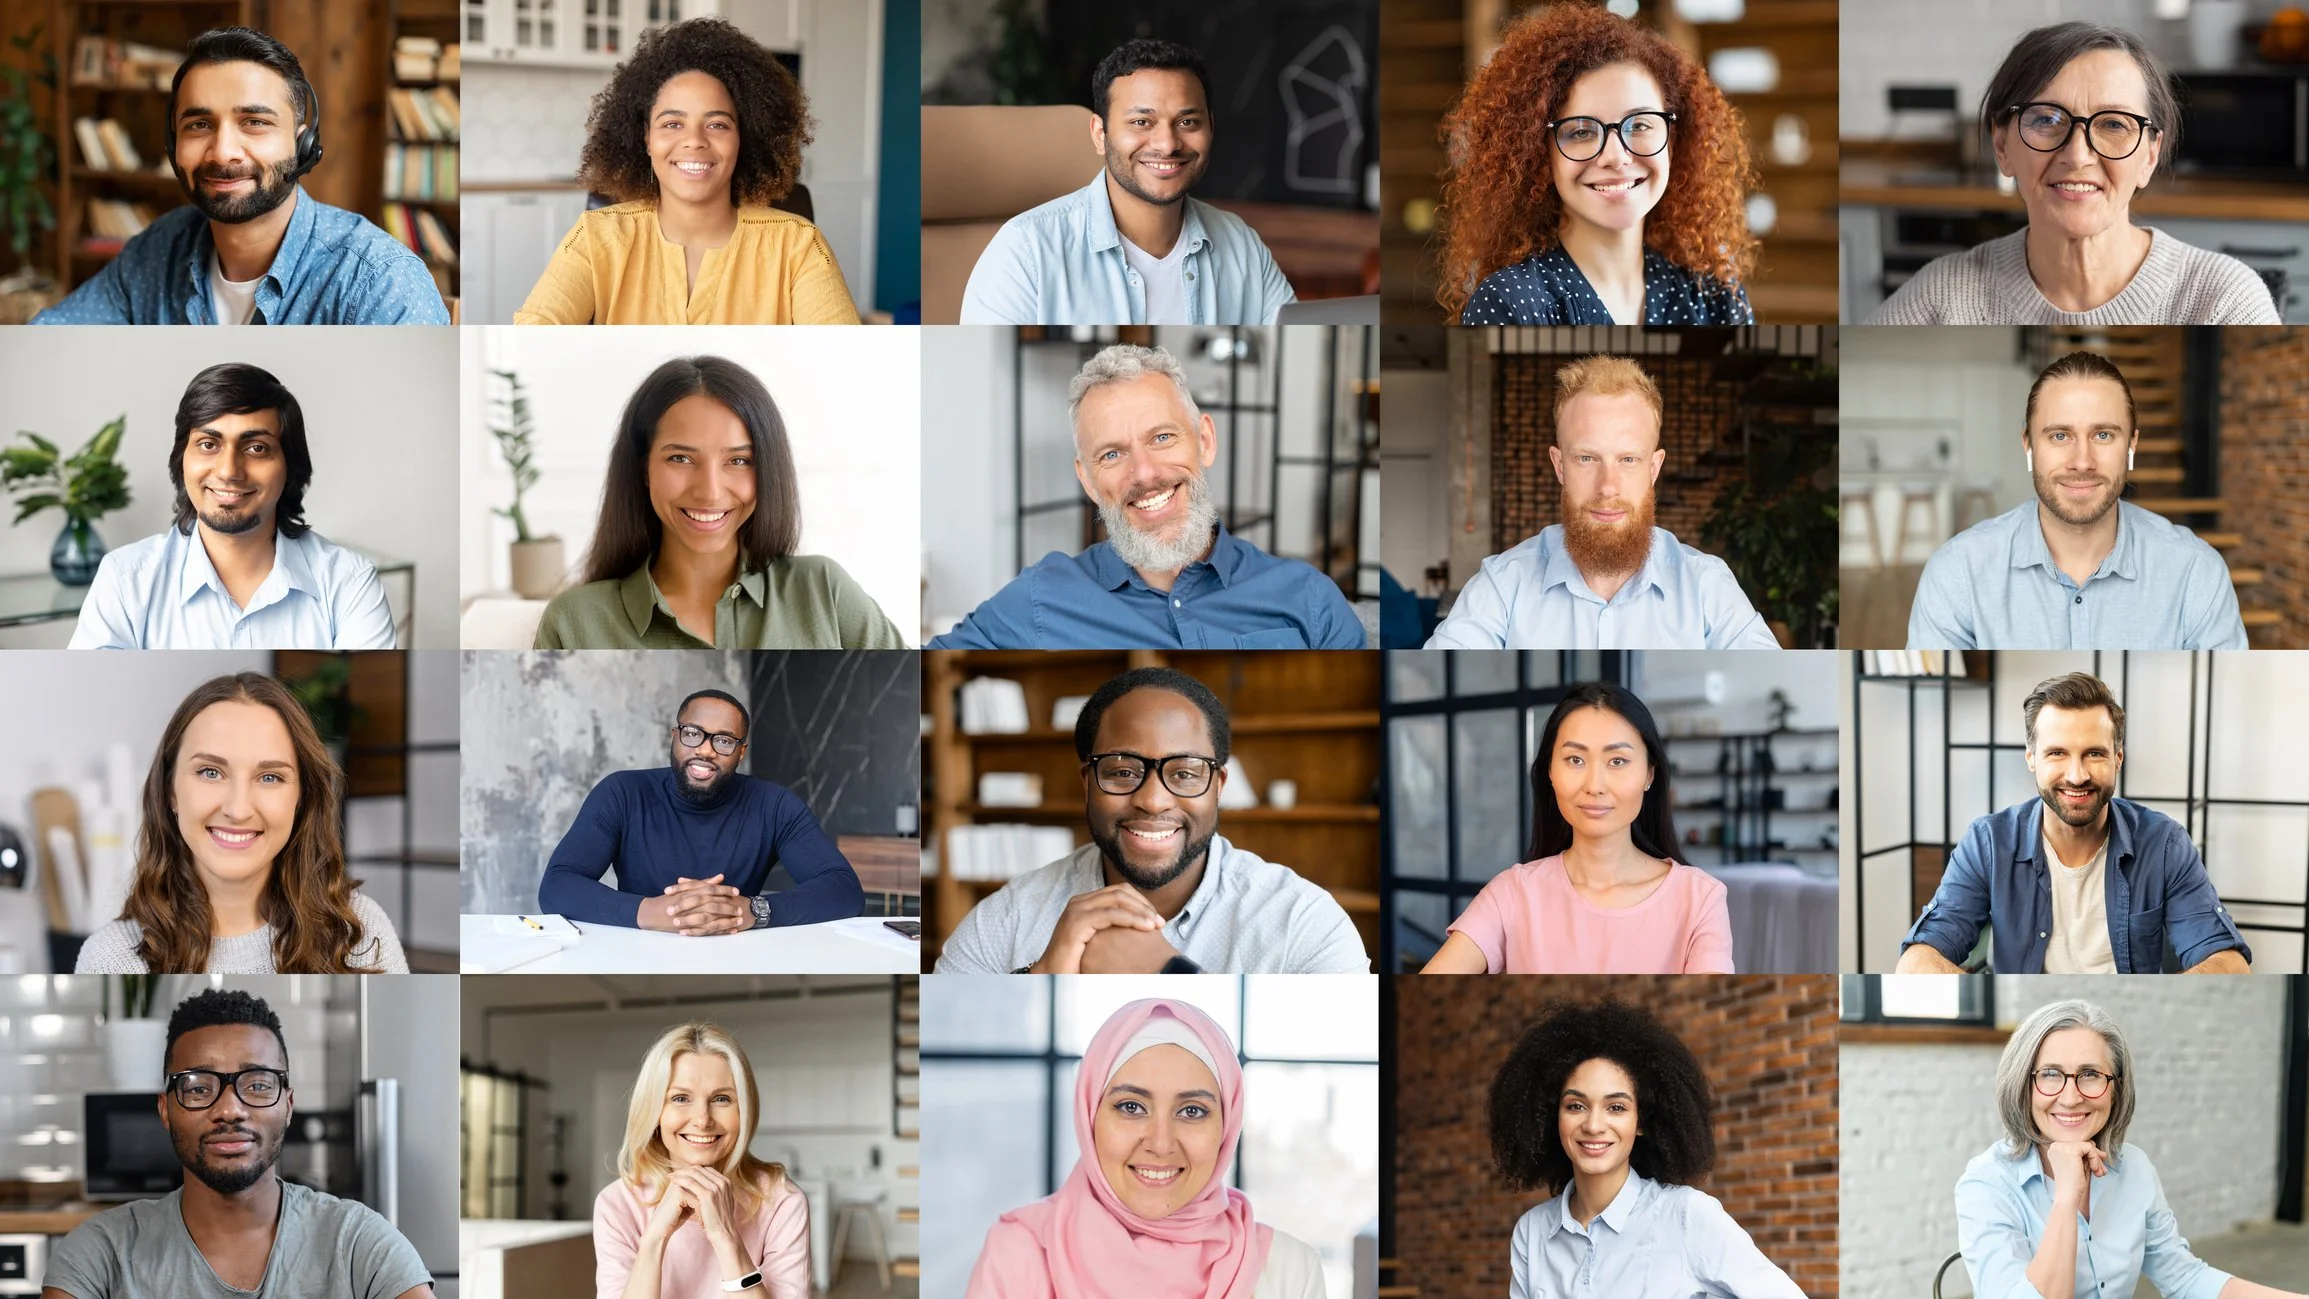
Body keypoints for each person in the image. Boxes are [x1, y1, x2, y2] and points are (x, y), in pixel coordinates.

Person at [935, 668, 1367, 974]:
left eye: (1184, 773)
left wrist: (1167, 972)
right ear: (1088, 783)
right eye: (1123, 772)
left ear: (1217, 785)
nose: (1153, 800)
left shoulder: (1304, 922)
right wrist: (1040, 979)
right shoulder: (1005, 918)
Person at [929, 345, 1363, 650]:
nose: (1145, 473)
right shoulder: (1041, 598)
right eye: (1112, 454)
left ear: (1205, 440)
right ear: (1088, 481)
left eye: (1161, 437)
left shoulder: (1308, 597)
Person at [1871, 24, 2278, 325]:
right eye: (2047, 119)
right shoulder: (1941, 297)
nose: (2077, 154)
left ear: (2150, 156)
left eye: (2115, 124)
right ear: (2001, 147)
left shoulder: (2224, 300)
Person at [33, 28, 445, 326]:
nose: (223, 151)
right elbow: (49, 347)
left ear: (303, 145)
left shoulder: (379, 282)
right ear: (172, 144)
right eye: (198, 125)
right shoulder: (160, 250)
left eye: (254, 122)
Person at [39, 988, 433, 1299]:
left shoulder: (358, 1241)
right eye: (198, 1087)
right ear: (165, 1110)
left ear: (288, 1105)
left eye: (258, 1085)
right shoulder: (99, 1253)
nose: (230, 1109)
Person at [531, 356, 905, 648]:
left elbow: (905, 717)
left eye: (738, 461)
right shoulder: (573, 622)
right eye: (680, 458)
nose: (710, 490)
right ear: (643, 468)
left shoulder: (824, 591)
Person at [965, 998, 1325, 1298]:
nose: (1161, 1143)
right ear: (1089, 1114)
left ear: (1227, 1127)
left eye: (1192, 1111)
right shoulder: (1019, 1251)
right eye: (1131, 1107)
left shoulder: (1290, 1273)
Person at [1898, 672, 2251, 974]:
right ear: (2031, 759)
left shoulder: (2164, 843)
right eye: (2057, 753)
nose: (2077, 775)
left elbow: (2229, 962)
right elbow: (1917, 961)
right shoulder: (1988, 842)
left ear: (2118, 758)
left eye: (2094, 754)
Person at [515, 19, 858, 325]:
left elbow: (843, 360)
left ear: (743, 139)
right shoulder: (596, 237)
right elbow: (533, 334)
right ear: (646, 138)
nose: (694, 141)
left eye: (717, 124)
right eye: (673, 123)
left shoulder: (799, 245)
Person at [1957, 999, 2308, 1299]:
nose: (2070, 1096)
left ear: (2116, 1088)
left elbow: (2184, 1278)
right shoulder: (1987, 1183)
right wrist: (2066, 1197)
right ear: (2023, 1084)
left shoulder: (2133, 1167)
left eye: (2091, 1074)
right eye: (2050, 1074)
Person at [1422, 355, 1778, 649]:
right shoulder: (1503, 584)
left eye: (1628, 460)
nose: (1608, 488)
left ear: (1653, 468)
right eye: (1587, 459)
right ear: (1559, 465)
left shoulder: (1706, 584)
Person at [1439, 4, 1756, 326]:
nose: (1616, 156)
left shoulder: (1715, 297)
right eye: (1581, 132)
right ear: (1539, 153)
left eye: (1640, 124)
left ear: (1674, 138)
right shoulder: (1510, 302)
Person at [1908, 350, 2246, 650]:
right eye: (2059, 435)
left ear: (2131, 446)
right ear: (2028, 446)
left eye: (2103, 435)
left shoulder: (2195, 572)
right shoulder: (1958, 572)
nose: (2082, 461)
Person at [75, 673, 406, 973]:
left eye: (270, 777)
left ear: (301, 798)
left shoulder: (359, 933)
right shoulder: (111, 958)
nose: (238, 808)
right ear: (170, 791)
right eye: (210, 772)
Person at [959, 39, 1296, 326]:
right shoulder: (1026, 251)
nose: (1167, 144)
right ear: (1099, 134)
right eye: (1141, 122)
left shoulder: (1241, 244)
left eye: (1187, 121)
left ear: (1211, 127)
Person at [1490, 1000, 1805, 1298]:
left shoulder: (1686, 1216)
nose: (1594, 1125)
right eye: (1576, 1105)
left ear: (1641, 1121)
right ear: (1550, 1116)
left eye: (1616, 1107)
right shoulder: (1532, 1232)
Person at [70, 363, 396, 650]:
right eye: (208, 444)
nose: (228, 471)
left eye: (256, 448)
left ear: (290, 465)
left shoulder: (349, 583)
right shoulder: (125, 580)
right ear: (182, 459)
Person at [1421, 683, 1732, 974]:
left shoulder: (1701, 899)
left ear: (1649, 774)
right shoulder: (1512, 894)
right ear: (1550, 772)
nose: (1594, 785)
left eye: (1618, 761)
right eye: (1575, 759)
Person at [538, 688, 865, 932]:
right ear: (675, 737)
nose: (705, 750)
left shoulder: (775, 805)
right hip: (637, 956)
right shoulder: (622, 793)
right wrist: (654, 912)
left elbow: (844, 890)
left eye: (724, 740)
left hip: (740, 959)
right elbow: (558, 885)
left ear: (741, 752)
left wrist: (752, 910)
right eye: (693, 734)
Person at [595, 1023, 807, 1299]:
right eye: (680, 1098)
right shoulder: (617, 1205)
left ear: (744, 1109)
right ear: (655, 1111)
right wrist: (654, 1239)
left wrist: (725, 1236)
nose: (702, 1120)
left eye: (721, 1098)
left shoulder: (782, 1201)